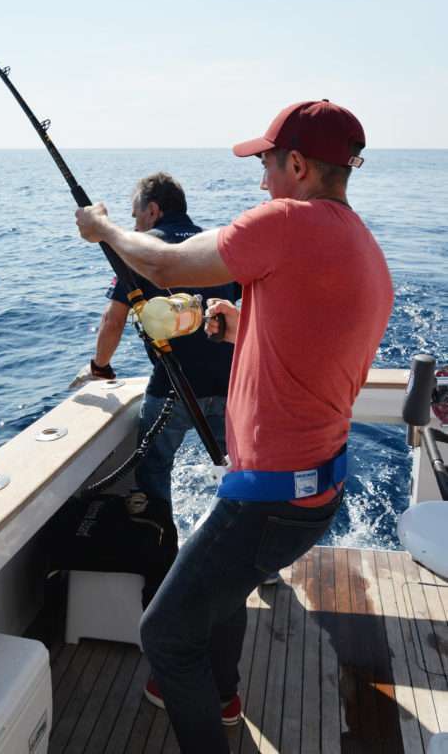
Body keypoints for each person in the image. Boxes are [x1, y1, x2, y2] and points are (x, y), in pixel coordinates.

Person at [75, 100, 394, 753]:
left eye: (268, 166)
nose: (261, 184)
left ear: (299, 166)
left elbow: (162, 265)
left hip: (267, 500)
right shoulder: (363, 247)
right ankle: (224, 695)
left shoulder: (289, 220)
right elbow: (318, 343)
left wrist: (105, 230)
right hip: (313, 493)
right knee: (218, 595)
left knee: (163, 635)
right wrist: (240, 325)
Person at [81, 172, 240, 508]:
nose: (135, 225)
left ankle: (162, 542)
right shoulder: (215, 245)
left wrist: (100, 366)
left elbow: (113, 321)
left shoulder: (138, 253)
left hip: (173, 386)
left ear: (152, 210)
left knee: (153, 469)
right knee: (237, 471)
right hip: (229, 384)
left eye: (136, 215)